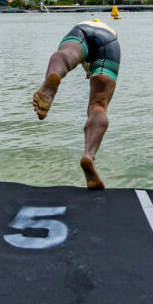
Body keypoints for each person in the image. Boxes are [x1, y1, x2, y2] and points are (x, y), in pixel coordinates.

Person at [32, 19, 120, 188]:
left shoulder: (85, 25)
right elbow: (91, 67)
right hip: (110, 42)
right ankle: (89, 155)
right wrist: (90, 72)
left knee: (67, 55)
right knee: (98, 106)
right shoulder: (110, 32)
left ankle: (54, 75)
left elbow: (83, 60)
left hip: (81, 31)